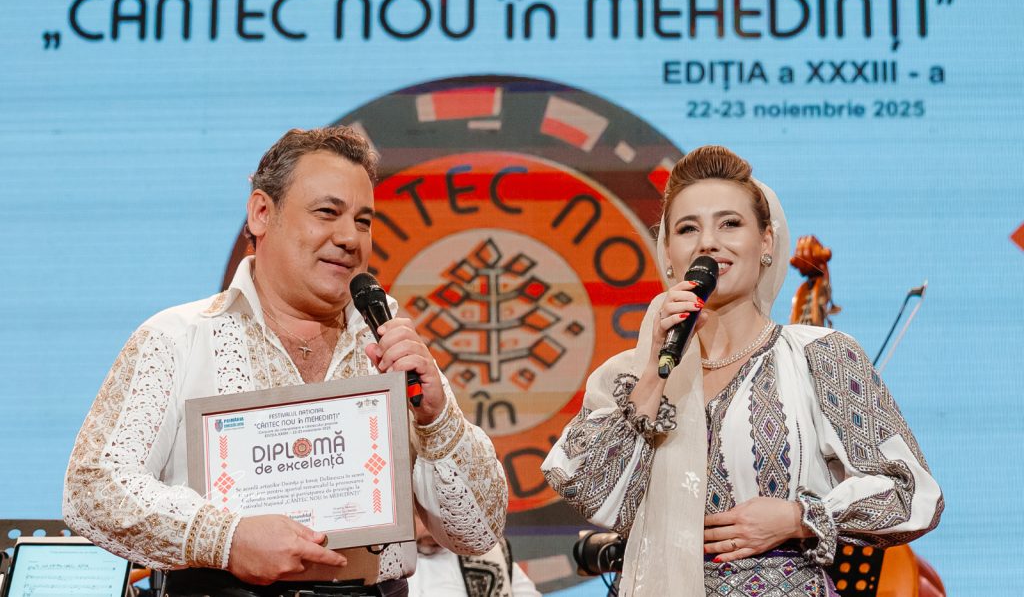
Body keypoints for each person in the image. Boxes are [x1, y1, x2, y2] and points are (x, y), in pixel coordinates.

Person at [63, 126, 508, 597]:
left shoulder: (391, 343)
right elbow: (92, 489)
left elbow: (477, 532)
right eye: (327, 212)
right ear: (261, 213)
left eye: (363, 221)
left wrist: (437, 419)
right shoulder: (178, 338)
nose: (349, 238)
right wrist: (228, 539)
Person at [541, 146, 942, 597]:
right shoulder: (628, 376)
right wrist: (653, 371)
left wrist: (799, 517)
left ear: (766, 242)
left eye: (730, 223)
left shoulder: (819, 356)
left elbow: (913, 494)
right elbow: (589, 492)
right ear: (668, 253)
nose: (708, 243)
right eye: (688, 228)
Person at [407, 514, 540, 597]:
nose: (435, 529)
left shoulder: (488, 555)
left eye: (441, 516)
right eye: (423, 516)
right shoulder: (393, 564)